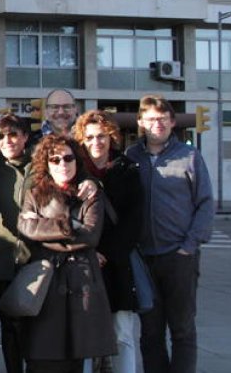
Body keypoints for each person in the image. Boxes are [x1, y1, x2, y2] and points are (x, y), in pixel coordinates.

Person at [125, 95, 214, 373]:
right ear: (141, 122)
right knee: (150, 332)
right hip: (144, 259)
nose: (158, 124)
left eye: (163, 119)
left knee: (182, 329)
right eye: (151, 119)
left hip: (179, 257)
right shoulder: (132, 157)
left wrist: (189, 245)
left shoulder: (189, 156)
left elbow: (205, 203)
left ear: (173, 122)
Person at [18, 135, 115, 373]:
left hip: (82, 280)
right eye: (55, 159)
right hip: (47, 282)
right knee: (43, 354)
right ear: (46, 164)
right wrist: (69, 226)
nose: (63, 164)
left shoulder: (89, 192)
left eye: (68, 158)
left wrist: (44, 229)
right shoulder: (34, 193)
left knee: (78, 355)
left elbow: (90, 236)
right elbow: (26, 229)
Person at [74, 111, 143, 373]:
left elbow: (133, 221)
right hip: (84, 262)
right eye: (90, 137)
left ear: (111, 137)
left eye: (101, 136)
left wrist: (108, 253)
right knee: (85, 334)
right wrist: (89, 251)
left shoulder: (127, 169)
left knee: (122, 333)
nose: (96, 142)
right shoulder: (74, 169)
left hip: (117, 265)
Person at [0, 113, 34, 373]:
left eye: (13, 134)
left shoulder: (40, 166)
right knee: (9, 325)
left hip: (34, 257)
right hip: (1, 257)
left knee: (34, 324)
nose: (7, 141)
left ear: (25, 136)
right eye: (0, 136)